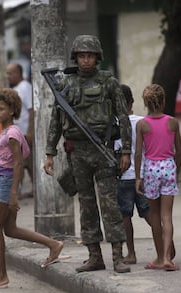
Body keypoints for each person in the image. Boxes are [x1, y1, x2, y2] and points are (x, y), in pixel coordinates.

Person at [44, 35, 132, 273]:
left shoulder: (108, 82)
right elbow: (55, 120)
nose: (85, 60)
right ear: (76, 57)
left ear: (97, 57)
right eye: (82, 56)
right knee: (86, 205)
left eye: (90, 56)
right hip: (77, 151)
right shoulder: (65, 85)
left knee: (110, 205)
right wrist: (49, 152)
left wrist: (126, 151)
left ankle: (118, 257)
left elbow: (123, 117)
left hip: (102, 150)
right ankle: (95, 256)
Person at [0, 88, 64, 288]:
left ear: (12, 110)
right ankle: (54, 244)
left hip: (7, 185)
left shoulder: (13, 134)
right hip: (2, 182)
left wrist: (14, 194)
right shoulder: (7, 132)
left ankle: (1, 276)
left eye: (1, 109)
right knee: (10, 229)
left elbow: (17, 165)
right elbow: (2, 165)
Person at [135, 84, 181, 271]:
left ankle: (158, 257)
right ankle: (167, 258)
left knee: (154, 215)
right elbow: (179, 151)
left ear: (146, 103)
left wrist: (138, 177)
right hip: (168, 167)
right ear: (163, 101)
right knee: (167, 216)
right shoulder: (173, 122)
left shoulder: (142, 124)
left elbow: (138, 153)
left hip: (151, 170)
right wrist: (176, 171)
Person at [114, 84, 151, 264]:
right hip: (143, 176)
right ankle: (166, 246)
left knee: (125, 216)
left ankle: (131, 253)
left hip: (122, 178)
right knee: (151, 214)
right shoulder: (143, 122)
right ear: (132, 101)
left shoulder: (113, 125)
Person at [6, 63, 34, 198]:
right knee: (21, 163)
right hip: (17, 133)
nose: (8, 76)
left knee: (23, 163)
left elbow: (31, 110)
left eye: (10, 73)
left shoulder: (25, 88)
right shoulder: (16, 89)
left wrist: (30, 131)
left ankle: (19, 191)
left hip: (24, 133)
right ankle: (20, 190)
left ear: (18, 73)